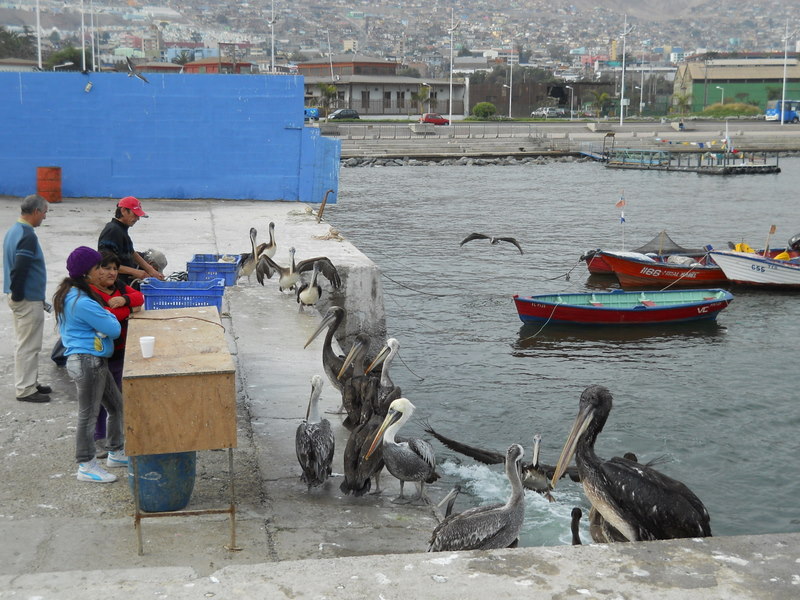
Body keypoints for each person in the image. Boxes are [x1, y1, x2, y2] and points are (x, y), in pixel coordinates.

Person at [54, 246, 128, 483]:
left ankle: (116, 451)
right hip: (87, 362)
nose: (103, 271)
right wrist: (108, 317)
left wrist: (105, 318)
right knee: (88, 415)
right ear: (86, 272)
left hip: (94, 361)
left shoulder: (74, 293)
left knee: (116, 406)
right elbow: (114, 329)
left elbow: (107, 322)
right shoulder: (81, 301)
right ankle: (86, 465)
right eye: (99, 268)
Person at [88, 250, 144, 457]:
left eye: (115, 269)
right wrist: (130, 309)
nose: (112, 273)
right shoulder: (90, 293)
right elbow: (107, 316)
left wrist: (125, 300)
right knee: (99, 398)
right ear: (94, 270)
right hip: (99, 353)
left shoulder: (118, 287)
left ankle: (115, 441)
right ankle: (98, 438)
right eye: (106, 268)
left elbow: (139, 297)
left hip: (120, 351)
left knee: (116, 398)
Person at [3, 194, 52, 403]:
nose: (45, 217)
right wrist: (19, 295)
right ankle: (25, 389)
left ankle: (30, 381)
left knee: (26, 343)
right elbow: (20, 268)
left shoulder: (14, 230)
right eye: (44, 213)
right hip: (26, 299)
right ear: (36, 211)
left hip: (21, 296)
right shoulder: (27, 235)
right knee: (29, 345)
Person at [97, 196, 165, 288]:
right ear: (123, 211)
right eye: (135, 214)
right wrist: (136, 272)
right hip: (116, 283)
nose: (137, 219)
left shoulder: (121, 229)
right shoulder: (112, 231)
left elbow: (131, 252)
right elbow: (106, 264)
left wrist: (151, 271)